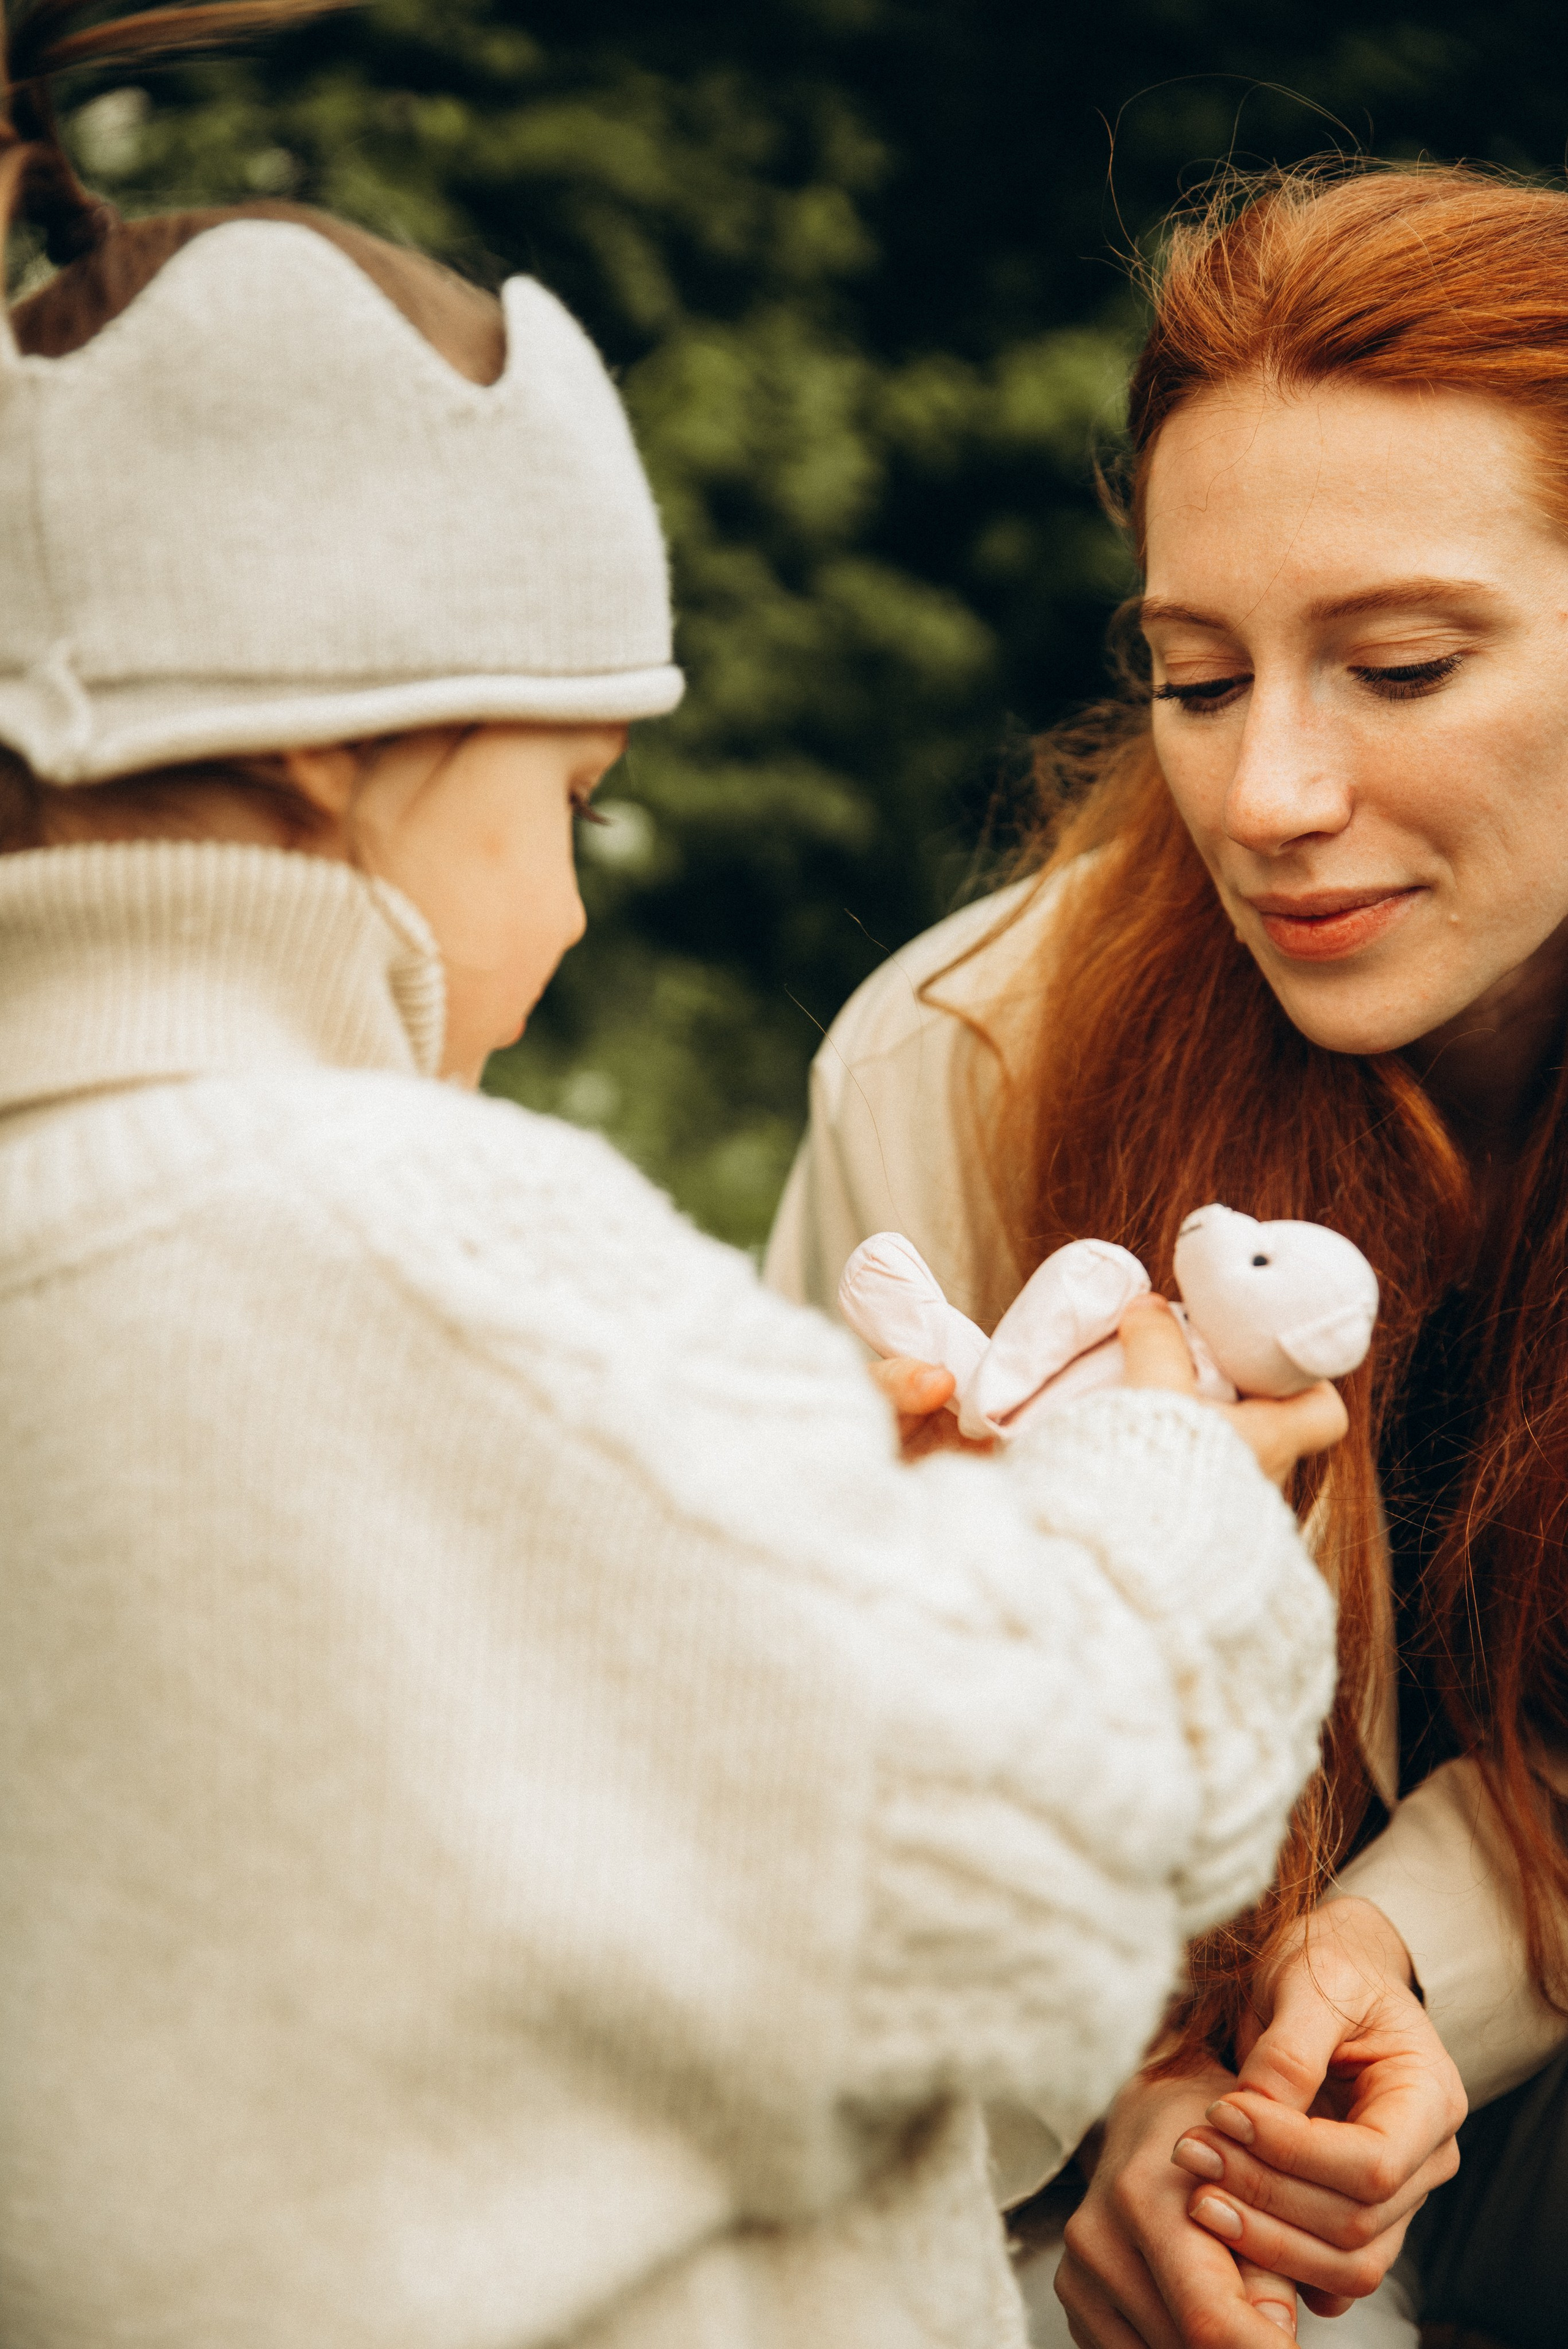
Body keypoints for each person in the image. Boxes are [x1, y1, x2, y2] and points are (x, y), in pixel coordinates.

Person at [0, 10, 1346, 2347]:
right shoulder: (411, 1246)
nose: (585, 902)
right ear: (336, 740)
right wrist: (1164, 1485)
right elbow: (1004, 1884)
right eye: (574, 796)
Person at [767, 161, 1568, 2349]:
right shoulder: (965, 1063)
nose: (1268, 794)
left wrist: (1404, 1961)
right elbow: (807, 1788)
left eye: (1398, 662)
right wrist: (1125, 2109)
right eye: (1197, 679)